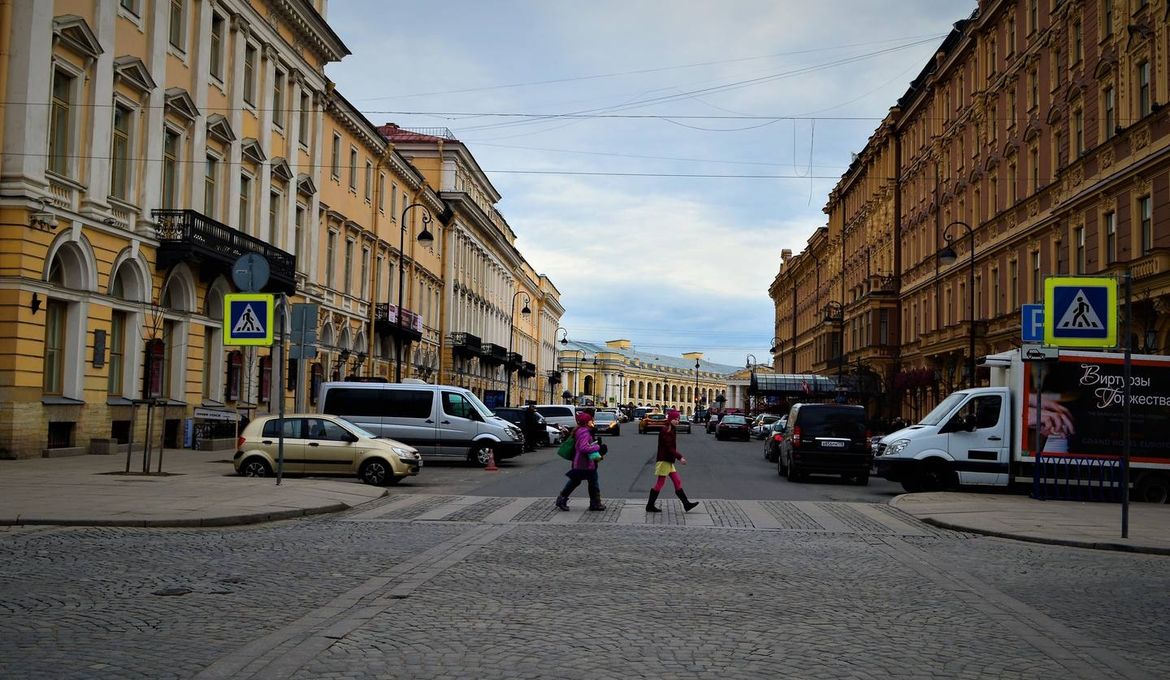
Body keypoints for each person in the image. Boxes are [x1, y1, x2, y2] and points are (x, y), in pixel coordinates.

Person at [646, 409, 699, 513]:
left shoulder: (671, 430)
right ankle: (650, 505)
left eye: (678, 419)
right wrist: (680, 457)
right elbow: (669, 448)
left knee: (677, 481)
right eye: (675, 419)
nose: (677, 421)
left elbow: (670, 449)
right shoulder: (666, 430)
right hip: (664, 460)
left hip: (668, 461)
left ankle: (686, 504)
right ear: (670, 419)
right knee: (660, 483)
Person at [555, 410, 608, 511]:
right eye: (590, 420)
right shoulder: (584, 432)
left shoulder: (580, 430)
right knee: (580, 481)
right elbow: (583, 447)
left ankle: (594, 503)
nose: (592, 421)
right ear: (587, 422)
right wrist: (597, 447)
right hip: (583, 463)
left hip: (584, 462)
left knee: (588, 481)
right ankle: (563, 499)